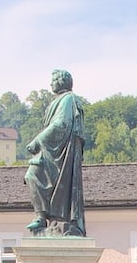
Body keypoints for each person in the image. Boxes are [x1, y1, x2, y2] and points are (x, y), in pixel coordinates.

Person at [25, 69, 87, 237]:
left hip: (61, 154)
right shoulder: (59, 101)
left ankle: (48, 218)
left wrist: (38, 140)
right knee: (32, 176)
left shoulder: (68, 99)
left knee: (33, 175)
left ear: (62, 81)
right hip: (51, 151)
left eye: (53, 80)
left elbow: (61, 124)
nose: (50, 83)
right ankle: (41, 216)